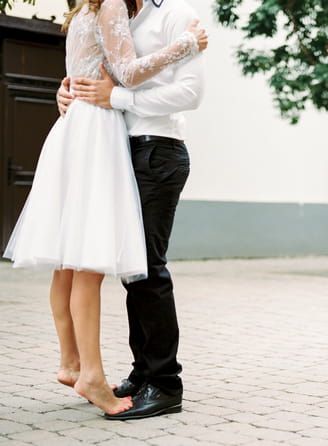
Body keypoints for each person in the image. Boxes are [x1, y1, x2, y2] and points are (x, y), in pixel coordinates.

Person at [3, 0, 207, 416]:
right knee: (106, 265)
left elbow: (190, 93)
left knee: (145, 270)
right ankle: (136, 372)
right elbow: (113, 70)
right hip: (111, 144)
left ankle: (162, 382)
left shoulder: (174, 16)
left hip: (155, 148)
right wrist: (73, 89)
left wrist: (116, 98)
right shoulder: (114, 10)